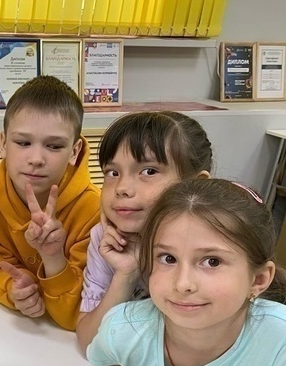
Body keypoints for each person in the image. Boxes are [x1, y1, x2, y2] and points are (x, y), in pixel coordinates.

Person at [87, 178, 286, 366]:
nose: (183, 284)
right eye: (168, 258)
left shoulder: (284, 341)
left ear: (258, 279)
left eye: (212, 261)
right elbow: (114, 356)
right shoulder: (124, 327)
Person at [0, 75, 100, 330]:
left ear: (74, 151)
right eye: (23, 143)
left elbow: (76, 315)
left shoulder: (96, 211)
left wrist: (53, 257)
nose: (36, 158)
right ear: (3, 143)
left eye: (54, 146)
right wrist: (13, 289)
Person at [75, 111, 213, 350]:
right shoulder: (106, 239)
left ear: (196, 185)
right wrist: (126, 273)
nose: (122, 188)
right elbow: (89, 341)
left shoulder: (216, 248)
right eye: (113, 173)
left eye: (148, 171)